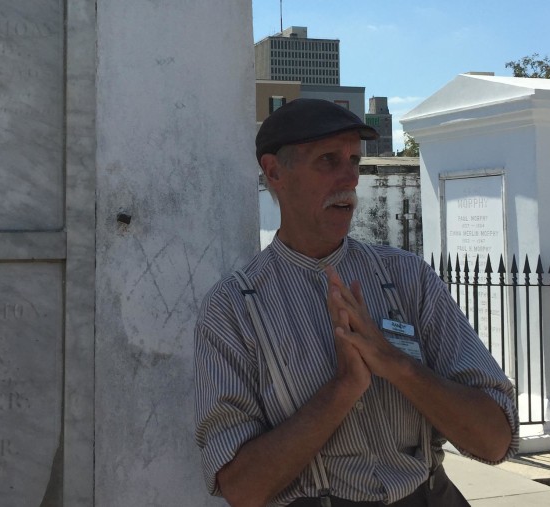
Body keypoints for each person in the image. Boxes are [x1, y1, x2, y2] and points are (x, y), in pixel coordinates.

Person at [193, 98, 519, 507]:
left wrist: (397, 365)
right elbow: (241, 489)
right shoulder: (232, 309)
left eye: (354, 162)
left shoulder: (408, 278)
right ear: (275, 171)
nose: (349, 178)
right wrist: (344, 389)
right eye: (328, 160)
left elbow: (495, 441)